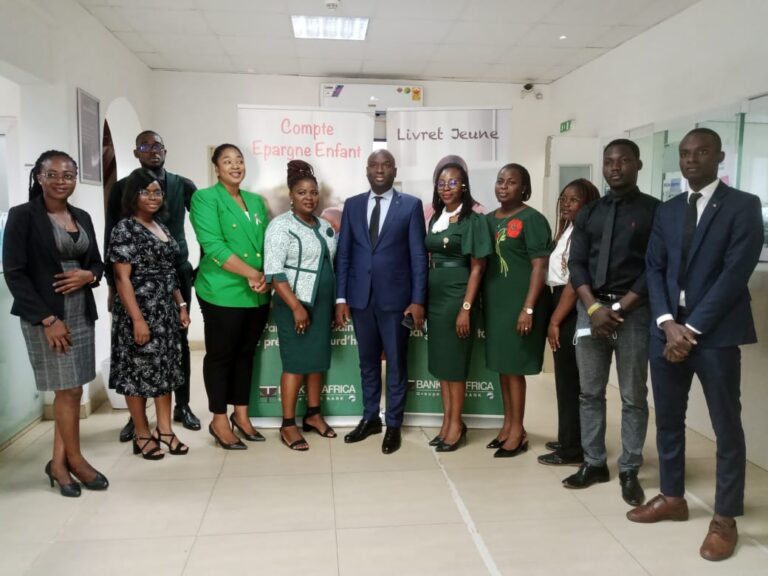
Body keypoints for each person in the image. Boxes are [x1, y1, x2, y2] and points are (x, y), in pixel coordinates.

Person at [627, 128, 764, 561]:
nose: (691, 160)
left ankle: (725, 517)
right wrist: (668, 323)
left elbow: (733, 274)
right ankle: (672, 496)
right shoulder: (668, 210)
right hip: (666, 330)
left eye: (701, 152)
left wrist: (693, 330)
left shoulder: (744, 206)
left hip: (716, 334)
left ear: (720, 157)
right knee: (668, 418)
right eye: (685, 153)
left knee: (727, 427)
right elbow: (655, 268)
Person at [3, 150, 108, 496]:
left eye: (68, 175)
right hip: (46, 314)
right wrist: (48, 319)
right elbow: (15, 274)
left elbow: (97, 264)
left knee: (73, 387)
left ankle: (58, 463)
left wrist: (87, 276)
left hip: (79, 310)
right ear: (39, 177)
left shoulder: (82, 215)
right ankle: (75, 461)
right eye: (53, 174)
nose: (61, 181)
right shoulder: (23, 216)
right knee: (69, 389)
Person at [564, 139, 660, 506]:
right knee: (590, 392)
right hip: (592, 312)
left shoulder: (655, 211)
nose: (615, 167)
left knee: (634, 395)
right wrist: (592, 308)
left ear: (638, 164)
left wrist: (618, 308)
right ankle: (594, 463)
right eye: (608, 162)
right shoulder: (589, 213)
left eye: (622, 161)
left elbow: (655, 266)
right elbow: (577, 264)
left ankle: (630, 468)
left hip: (633, 313)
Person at [104, 130, 200, 442]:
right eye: (145, 146)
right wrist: (111, 287)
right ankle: (139, 421)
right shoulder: (121, 189)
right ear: (136, 153)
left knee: (176, 345)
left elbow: (205, 225)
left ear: (165, 150)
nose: (152, 151)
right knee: (139, 350)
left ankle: (181, 406)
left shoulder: (182, 184)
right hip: (135, 283)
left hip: (175, 273)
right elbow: (111, 240)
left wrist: (201, 267)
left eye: (157, 145)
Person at [335, 150, 428, 454]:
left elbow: (417, 256)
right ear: (366, 170)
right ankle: (370, 418)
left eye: (385, 165)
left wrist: (417, 300)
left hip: (396, 301)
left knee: (398, 364)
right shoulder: (352, 205)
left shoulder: (411, 206)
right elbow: (345, 253)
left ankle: (394, 425)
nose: (379, 170)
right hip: (361, 299)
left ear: (394, 170)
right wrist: (341, 297)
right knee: (367, 363)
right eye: (374, 165)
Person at [190, 143, 270, 450]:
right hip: (221, 290)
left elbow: (264, 244)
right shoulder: (205, 198)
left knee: (246, 354)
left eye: (239, 160)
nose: (235, 166)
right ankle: (219, 419)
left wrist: (264, 279)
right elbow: (214, 246)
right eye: (227, 161)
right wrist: (252, 274)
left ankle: (242, 415)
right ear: (216, 167)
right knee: (221, 356)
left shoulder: (256, 201)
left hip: (257, 293)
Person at [264, 160, 337, 451]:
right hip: (294, 305)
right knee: (295, 364)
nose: (309, 197)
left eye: (313, 192)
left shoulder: (325, 225)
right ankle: (288, 424)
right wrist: (295, 307)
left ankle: (314, 416)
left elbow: (334, 263)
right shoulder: (280, 226)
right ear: (292, 196)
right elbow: (274, 272)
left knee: (317, 362)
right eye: (302, 192)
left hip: (322, 305)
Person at [483, 163, 551, 458]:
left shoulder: (532, 219)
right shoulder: (486, 220)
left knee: (515, 370)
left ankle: (518, 431)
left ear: (524, 188)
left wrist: (529, 308)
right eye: (500, 181)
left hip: (519, 304)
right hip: (495, 304)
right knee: (502, 367)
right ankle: (508, 425)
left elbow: (540, 265)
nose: (504, 186)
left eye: (511, 182)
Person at [425, 161, 491, 452]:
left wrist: (466, 307)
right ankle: (446, 422)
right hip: (435, 297)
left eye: (453, 182)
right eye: (442, 183)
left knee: (455, 366)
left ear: (463, 185)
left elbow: (478, 268)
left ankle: (456, 425)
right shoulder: (436, 217)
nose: (447, 188)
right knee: (442, 366)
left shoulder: (473, 220)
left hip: (457, 296)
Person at [539, 179, 600, 466]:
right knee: (565, 382)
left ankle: (572, 449)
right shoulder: (567, 230)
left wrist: (554, 320)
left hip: (570, 308)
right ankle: (569, 438)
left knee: (570, 381)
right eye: (564, 199)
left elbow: (574, 282)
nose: (566, 204)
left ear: (588, 203)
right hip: (557, 302)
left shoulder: (586, 233)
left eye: (573, 200)